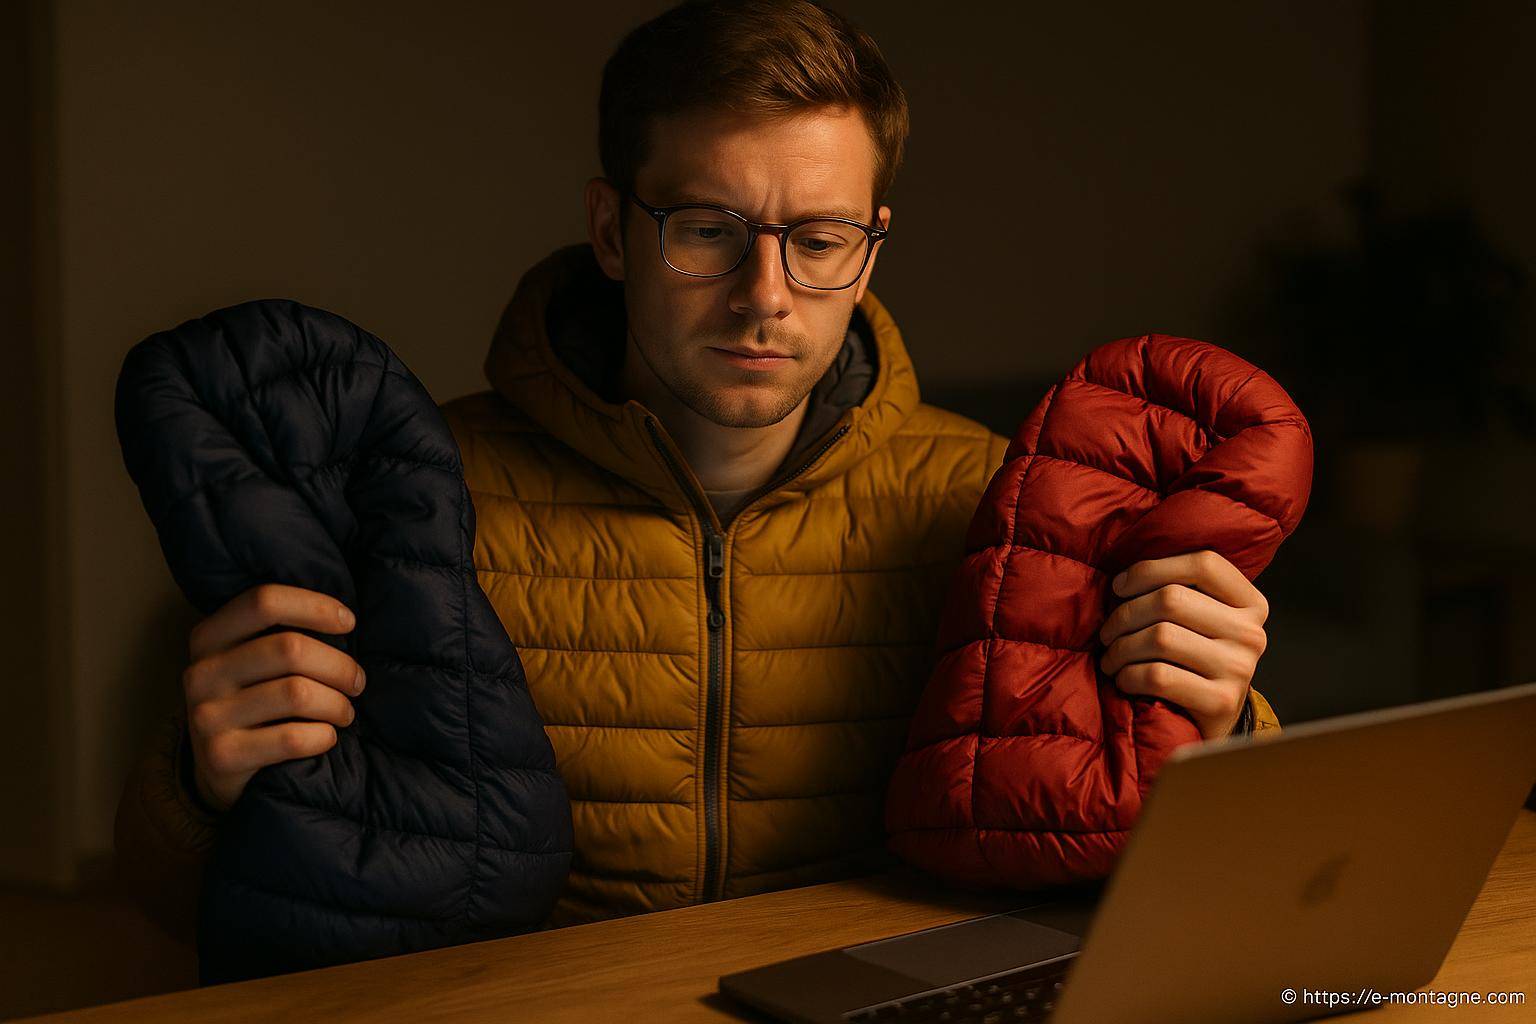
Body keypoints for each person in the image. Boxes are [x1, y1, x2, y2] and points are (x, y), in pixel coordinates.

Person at [114, 0, 1279, 944]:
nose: (765, 296)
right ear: (611, 232)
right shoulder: (416, 498)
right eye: (710, 231)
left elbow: (1198, 884)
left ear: (872, 246)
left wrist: (1220, 723)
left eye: (818, 240)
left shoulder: (988, 502)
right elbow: (180, 911)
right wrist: (201, 786)